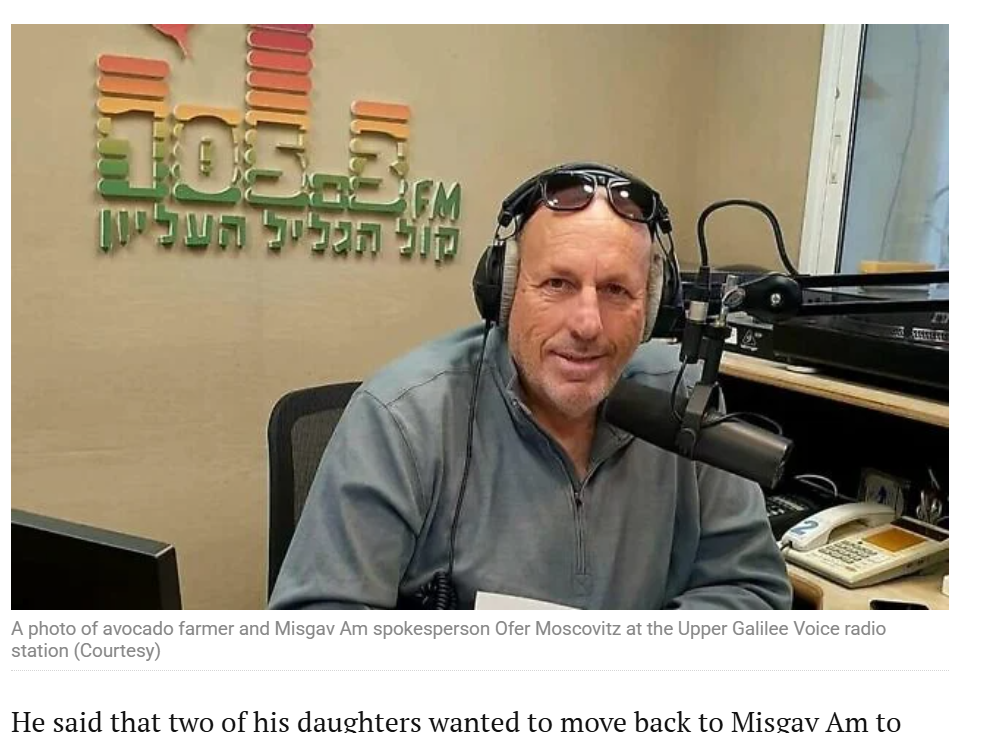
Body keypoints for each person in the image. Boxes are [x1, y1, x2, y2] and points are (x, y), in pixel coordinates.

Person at [270, 163, 793, 610]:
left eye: (616, 290)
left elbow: (752, 589)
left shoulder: (684, 402)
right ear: (505, 291)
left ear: (652, 308)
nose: (587, 323)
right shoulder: (401, 418)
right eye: (557, 284)